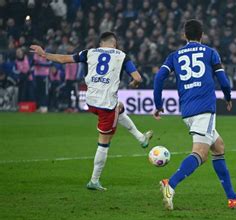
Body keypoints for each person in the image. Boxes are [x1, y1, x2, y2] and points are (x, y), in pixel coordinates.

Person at [30, 32, 154, 191]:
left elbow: (63, 59)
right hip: (106, 105)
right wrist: (133, 85)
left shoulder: (90, 52)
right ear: (114, 44)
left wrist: (44, 54)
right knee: (104, 142)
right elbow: (138, 78)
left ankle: (141, 138)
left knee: (119, 106)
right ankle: (94, 181)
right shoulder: (122, 56)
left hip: (90, 102)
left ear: (101, 44)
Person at [153, 19, 236, 210]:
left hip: (188, 110)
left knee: (218, 146)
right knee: (201, 153)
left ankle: (232, 198)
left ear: (184, 36)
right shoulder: (210, 52)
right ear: (202, 35)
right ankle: (169, 184)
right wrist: (228, 97)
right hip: (204, 108)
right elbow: (223, 80)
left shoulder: (174, 55)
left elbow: (159, 78)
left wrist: (158, 104)